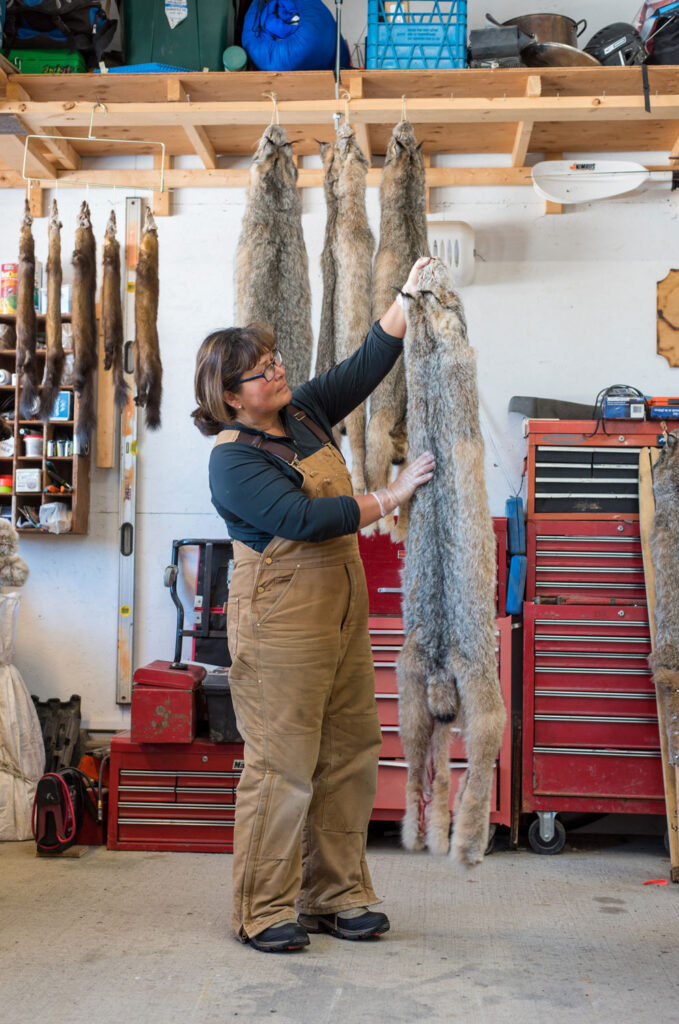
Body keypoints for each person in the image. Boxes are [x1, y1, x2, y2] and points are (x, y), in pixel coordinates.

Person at [192, 256, 435, 953]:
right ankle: (262, 908)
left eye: (273, 359)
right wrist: (390, 496)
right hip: (279, 619)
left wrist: (404, 298)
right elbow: (305, 520)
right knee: (282, 764)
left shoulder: (303, 412)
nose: (276, 372)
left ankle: (335, 893)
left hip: (339, 605)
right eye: (259, 370)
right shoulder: (232, 458)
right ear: (230, 396)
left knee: (352, 750)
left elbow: (363, 365)